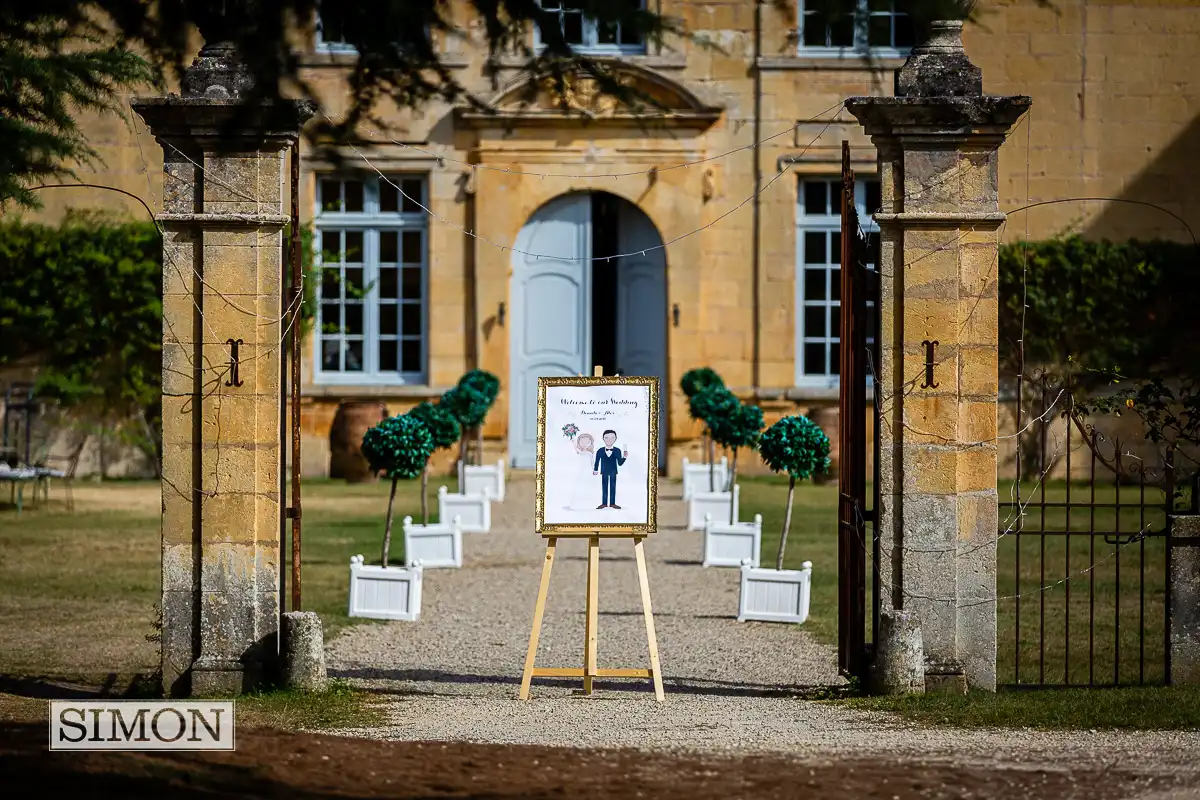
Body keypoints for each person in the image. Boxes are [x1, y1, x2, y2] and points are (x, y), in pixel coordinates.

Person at [592, 429, 628, 509]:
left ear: (615, 438)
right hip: (604, 471)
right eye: (606, 437)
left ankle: (612, 503)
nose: (609, 440)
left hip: (613, 471)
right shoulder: (600, 450)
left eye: (612, 437)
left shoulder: (617, 450)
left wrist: (624, 457)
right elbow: (597, 461)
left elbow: (620, 463)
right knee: (604, 486)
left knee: (613, 486)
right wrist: (595, 470)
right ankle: (604, 503)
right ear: (603, 438)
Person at [567, 433, 596, 511]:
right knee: (579, 486)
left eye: (587, 442)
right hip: (581, 471)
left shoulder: (589, 453)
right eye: (582, 442)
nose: (585, 444)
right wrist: (573, 442)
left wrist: (594, 470)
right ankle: (577, 504)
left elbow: (592, 463)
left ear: (591, 443)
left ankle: (588, 503)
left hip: (588, 471)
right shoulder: (580, 452)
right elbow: (578, 451)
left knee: (587, 486)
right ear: (579, 443)